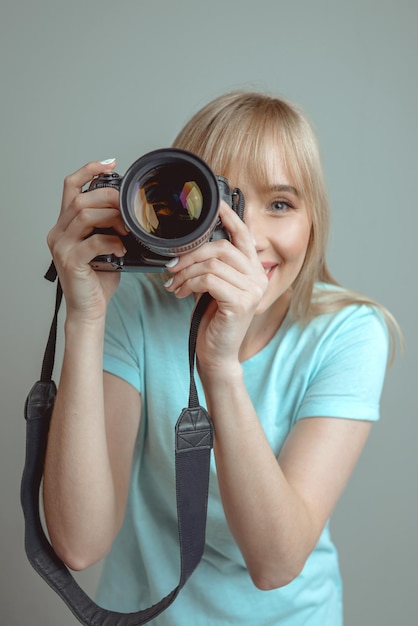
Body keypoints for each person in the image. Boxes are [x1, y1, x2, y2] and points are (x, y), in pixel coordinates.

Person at [44, 91, 400, 625]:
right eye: (222, 203)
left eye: (280, 204)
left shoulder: (349, 333)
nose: (247, 238)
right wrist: (85, 316)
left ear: (313, 222)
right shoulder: (133, 306)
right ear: (168, 208)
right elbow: (78, 544)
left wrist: (220, 366)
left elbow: (276, 563)